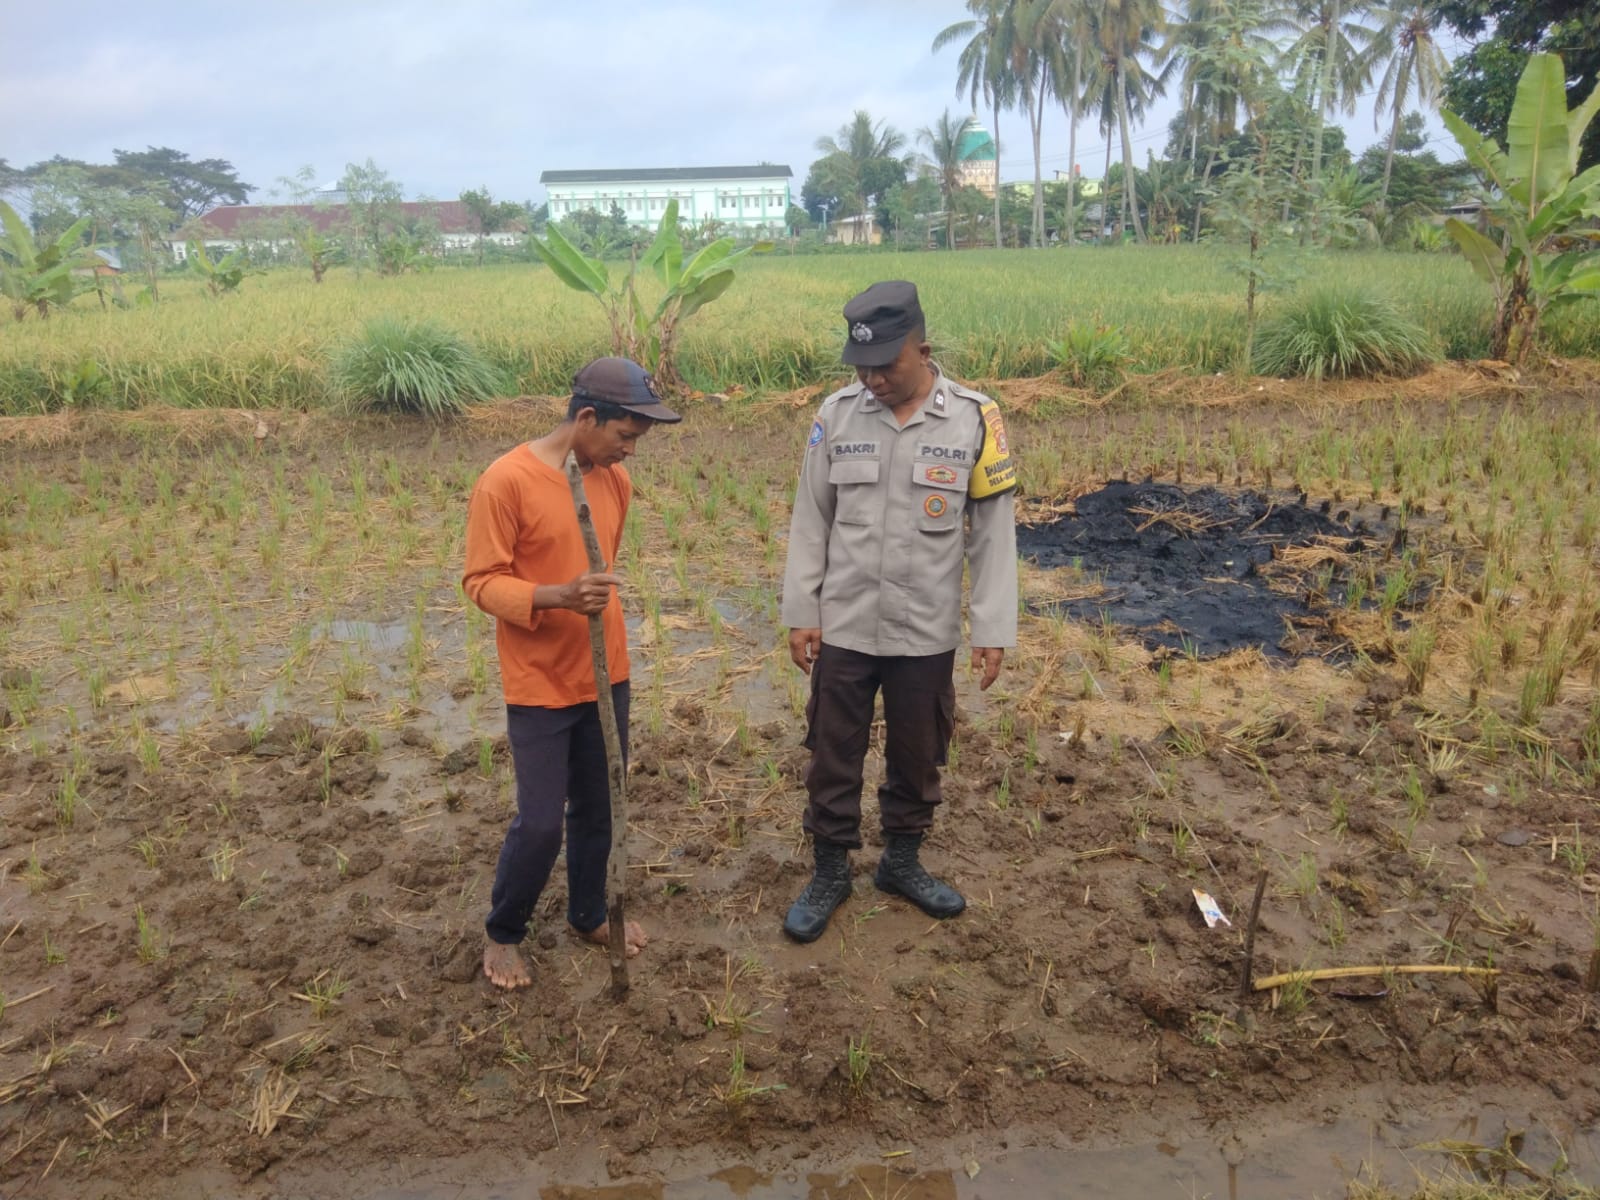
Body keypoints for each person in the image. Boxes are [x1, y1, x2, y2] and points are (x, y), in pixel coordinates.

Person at [780, 281, 1018, 943]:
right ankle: (831, 871)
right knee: (833, 753)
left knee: (918, 754)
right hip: (845, 623)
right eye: (862, 367)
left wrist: (992, 627)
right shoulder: (836, 415)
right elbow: (811, 518)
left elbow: (994, 533)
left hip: (925, 628)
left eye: (886, 365)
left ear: (924, 351)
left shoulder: (975, 418)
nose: (873, 379)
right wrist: (802, 610)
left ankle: (901, 861)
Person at [463, 357, 681, 989]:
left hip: (606, 673)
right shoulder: (505, 482)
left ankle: (588, 913)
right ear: (587, 417)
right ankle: (504, 930)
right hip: (540, 683)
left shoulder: (614, 482)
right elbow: (481, 581)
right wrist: (557, 596)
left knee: (602, 805)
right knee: (539, 823)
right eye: (625, 436)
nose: (630, 451)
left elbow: (601, 565)